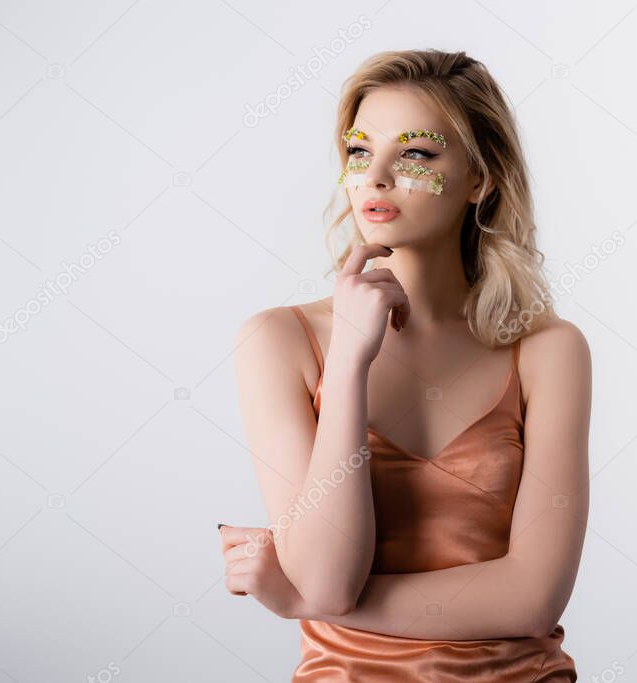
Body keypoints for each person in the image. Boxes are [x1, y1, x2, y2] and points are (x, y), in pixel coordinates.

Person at [220, 48, 591, 681]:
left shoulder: (548, 349)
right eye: (361, 152)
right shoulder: (276, 340)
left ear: (481, 179)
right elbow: (330, 577)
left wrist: (298, 600)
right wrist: (348, 366)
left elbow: (533, 601)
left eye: (417, 154)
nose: (377, 176)